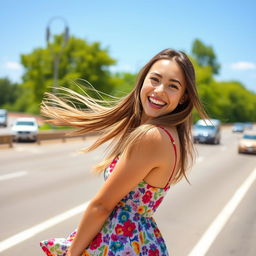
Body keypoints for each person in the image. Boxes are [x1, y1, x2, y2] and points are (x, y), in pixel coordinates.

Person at [40, 49, 207, 256]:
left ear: (183, 97)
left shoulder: (151, 136)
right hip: (143, 241)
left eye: (173, 86)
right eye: (154, 79)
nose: (159, 90)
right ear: (142, 81)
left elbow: (101, 206)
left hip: (120, 245)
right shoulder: (173, 137)